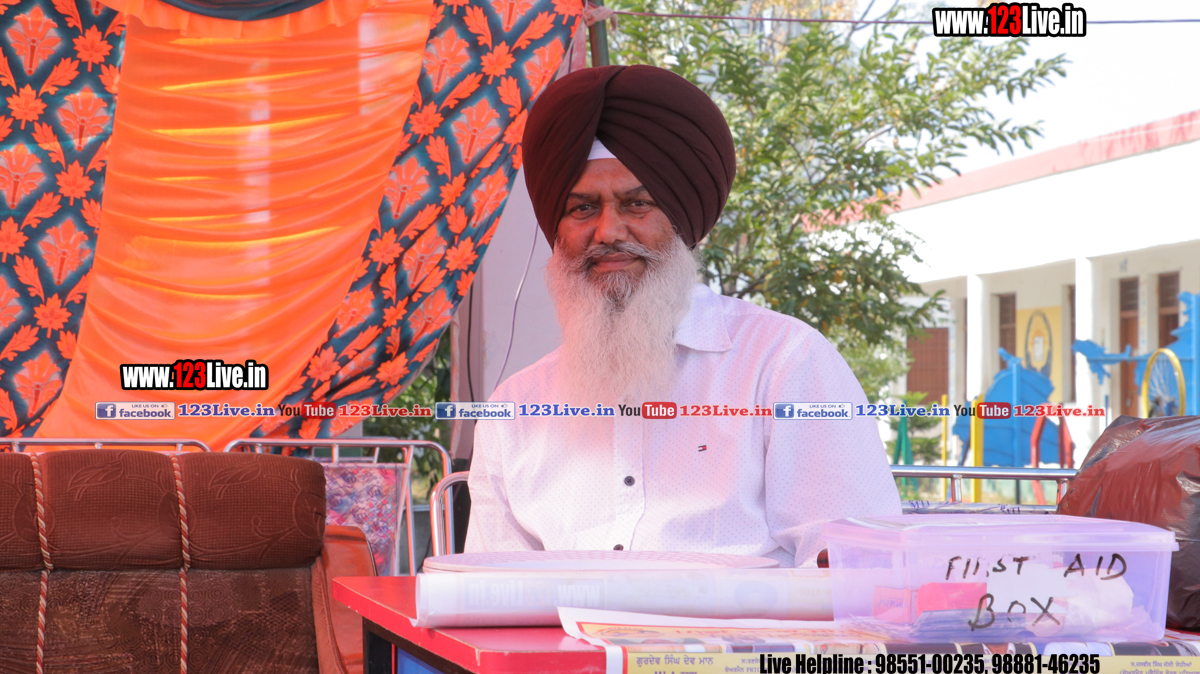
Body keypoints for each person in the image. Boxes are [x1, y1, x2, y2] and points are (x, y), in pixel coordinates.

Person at [463, 65, 900, 567]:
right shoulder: (514, 408)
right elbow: (492, 587)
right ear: (557, 230)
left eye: (637, 203)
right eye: (582, 208)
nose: (608, 231)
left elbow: (857, 563)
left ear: (680, 218)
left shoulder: (784, 364)